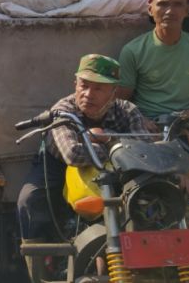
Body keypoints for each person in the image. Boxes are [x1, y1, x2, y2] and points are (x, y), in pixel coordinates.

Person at [16, 54, 148, 278]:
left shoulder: (127, 110)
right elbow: (72, 154)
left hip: (111, 169)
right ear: (74, 85)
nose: (88, 94)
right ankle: (38, 269)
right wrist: (117, 147)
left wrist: (106, 137)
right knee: (29, 199)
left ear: (113, 93)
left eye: (98, 88)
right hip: (57, 164)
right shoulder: (63, 109)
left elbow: (144, 148)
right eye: (84, 85)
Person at [117, 0, 189, 200]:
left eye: (177, 4)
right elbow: (121, 101)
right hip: (148, 121)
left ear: (187, 10)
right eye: (163, 4)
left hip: (187, 119)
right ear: (150, 9)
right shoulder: (133, 50)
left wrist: (181, 118)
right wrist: (138, 116)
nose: (169, 10)